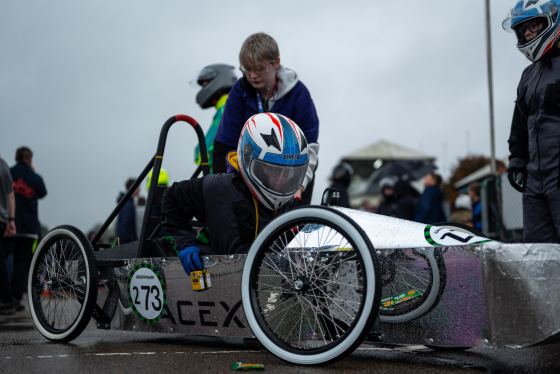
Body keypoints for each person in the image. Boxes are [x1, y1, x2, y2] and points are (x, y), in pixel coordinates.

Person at [161, 113, 309, 276]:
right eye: (273, 170)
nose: (281, 180)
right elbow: (171, 197)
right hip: (222, 284)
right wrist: (185, 242)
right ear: (248, 156)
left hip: (265, 288)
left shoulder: (291, 202)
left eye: (289, 174)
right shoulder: (217, 188)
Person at [212, 32, 319, 205]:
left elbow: (310, 146)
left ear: (276, 63)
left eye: (259, 68)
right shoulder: (239, 92)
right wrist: (223, 193)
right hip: (250, 173)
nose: (252, 75)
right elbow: (224, 146)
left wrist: (300, 186)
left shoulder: (299, 94)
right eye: (247, 69)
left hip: (290, 173)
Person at [503, 0, 560, 242]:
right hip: (535, 180)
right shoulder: (528, 74)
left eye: (533, 26)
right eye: (522, 29)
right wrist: (517, 161)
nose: (526, 33)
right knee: (537, 256)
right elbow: (520, 124)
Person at [9, 147, 47, 312]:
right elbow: (43, 193)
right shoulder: (35, 177)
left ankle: (4, 296)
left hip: (9, 225)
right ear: (30, 159)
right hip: (29, 228)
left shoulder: (9, 173)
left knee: (3, 258)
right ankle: (15, 298)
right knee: (20, 264)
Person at [193, 64, 238, 173]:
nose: (203, 88)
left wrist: (198, 153)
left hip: (222, 179)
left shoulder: (226, 109)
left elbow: (204, 150)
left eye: (205, 83)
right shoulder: (234, 106)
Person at [0, 155, 16, 315]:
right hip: (3, 219)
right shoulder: (4, 165)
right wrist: (11, 219)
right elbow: (11, 196)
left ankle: (5, 300)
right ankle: (6, 300)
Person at [115, 178, 139, 244]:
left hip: (123, 242)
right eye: (138, 187)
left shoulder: (126, 202)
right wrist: (132, 241)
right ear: (134, 188)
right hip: (126, 243)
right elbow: (126, 224)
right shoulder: (128, 204)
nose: (140, 189)